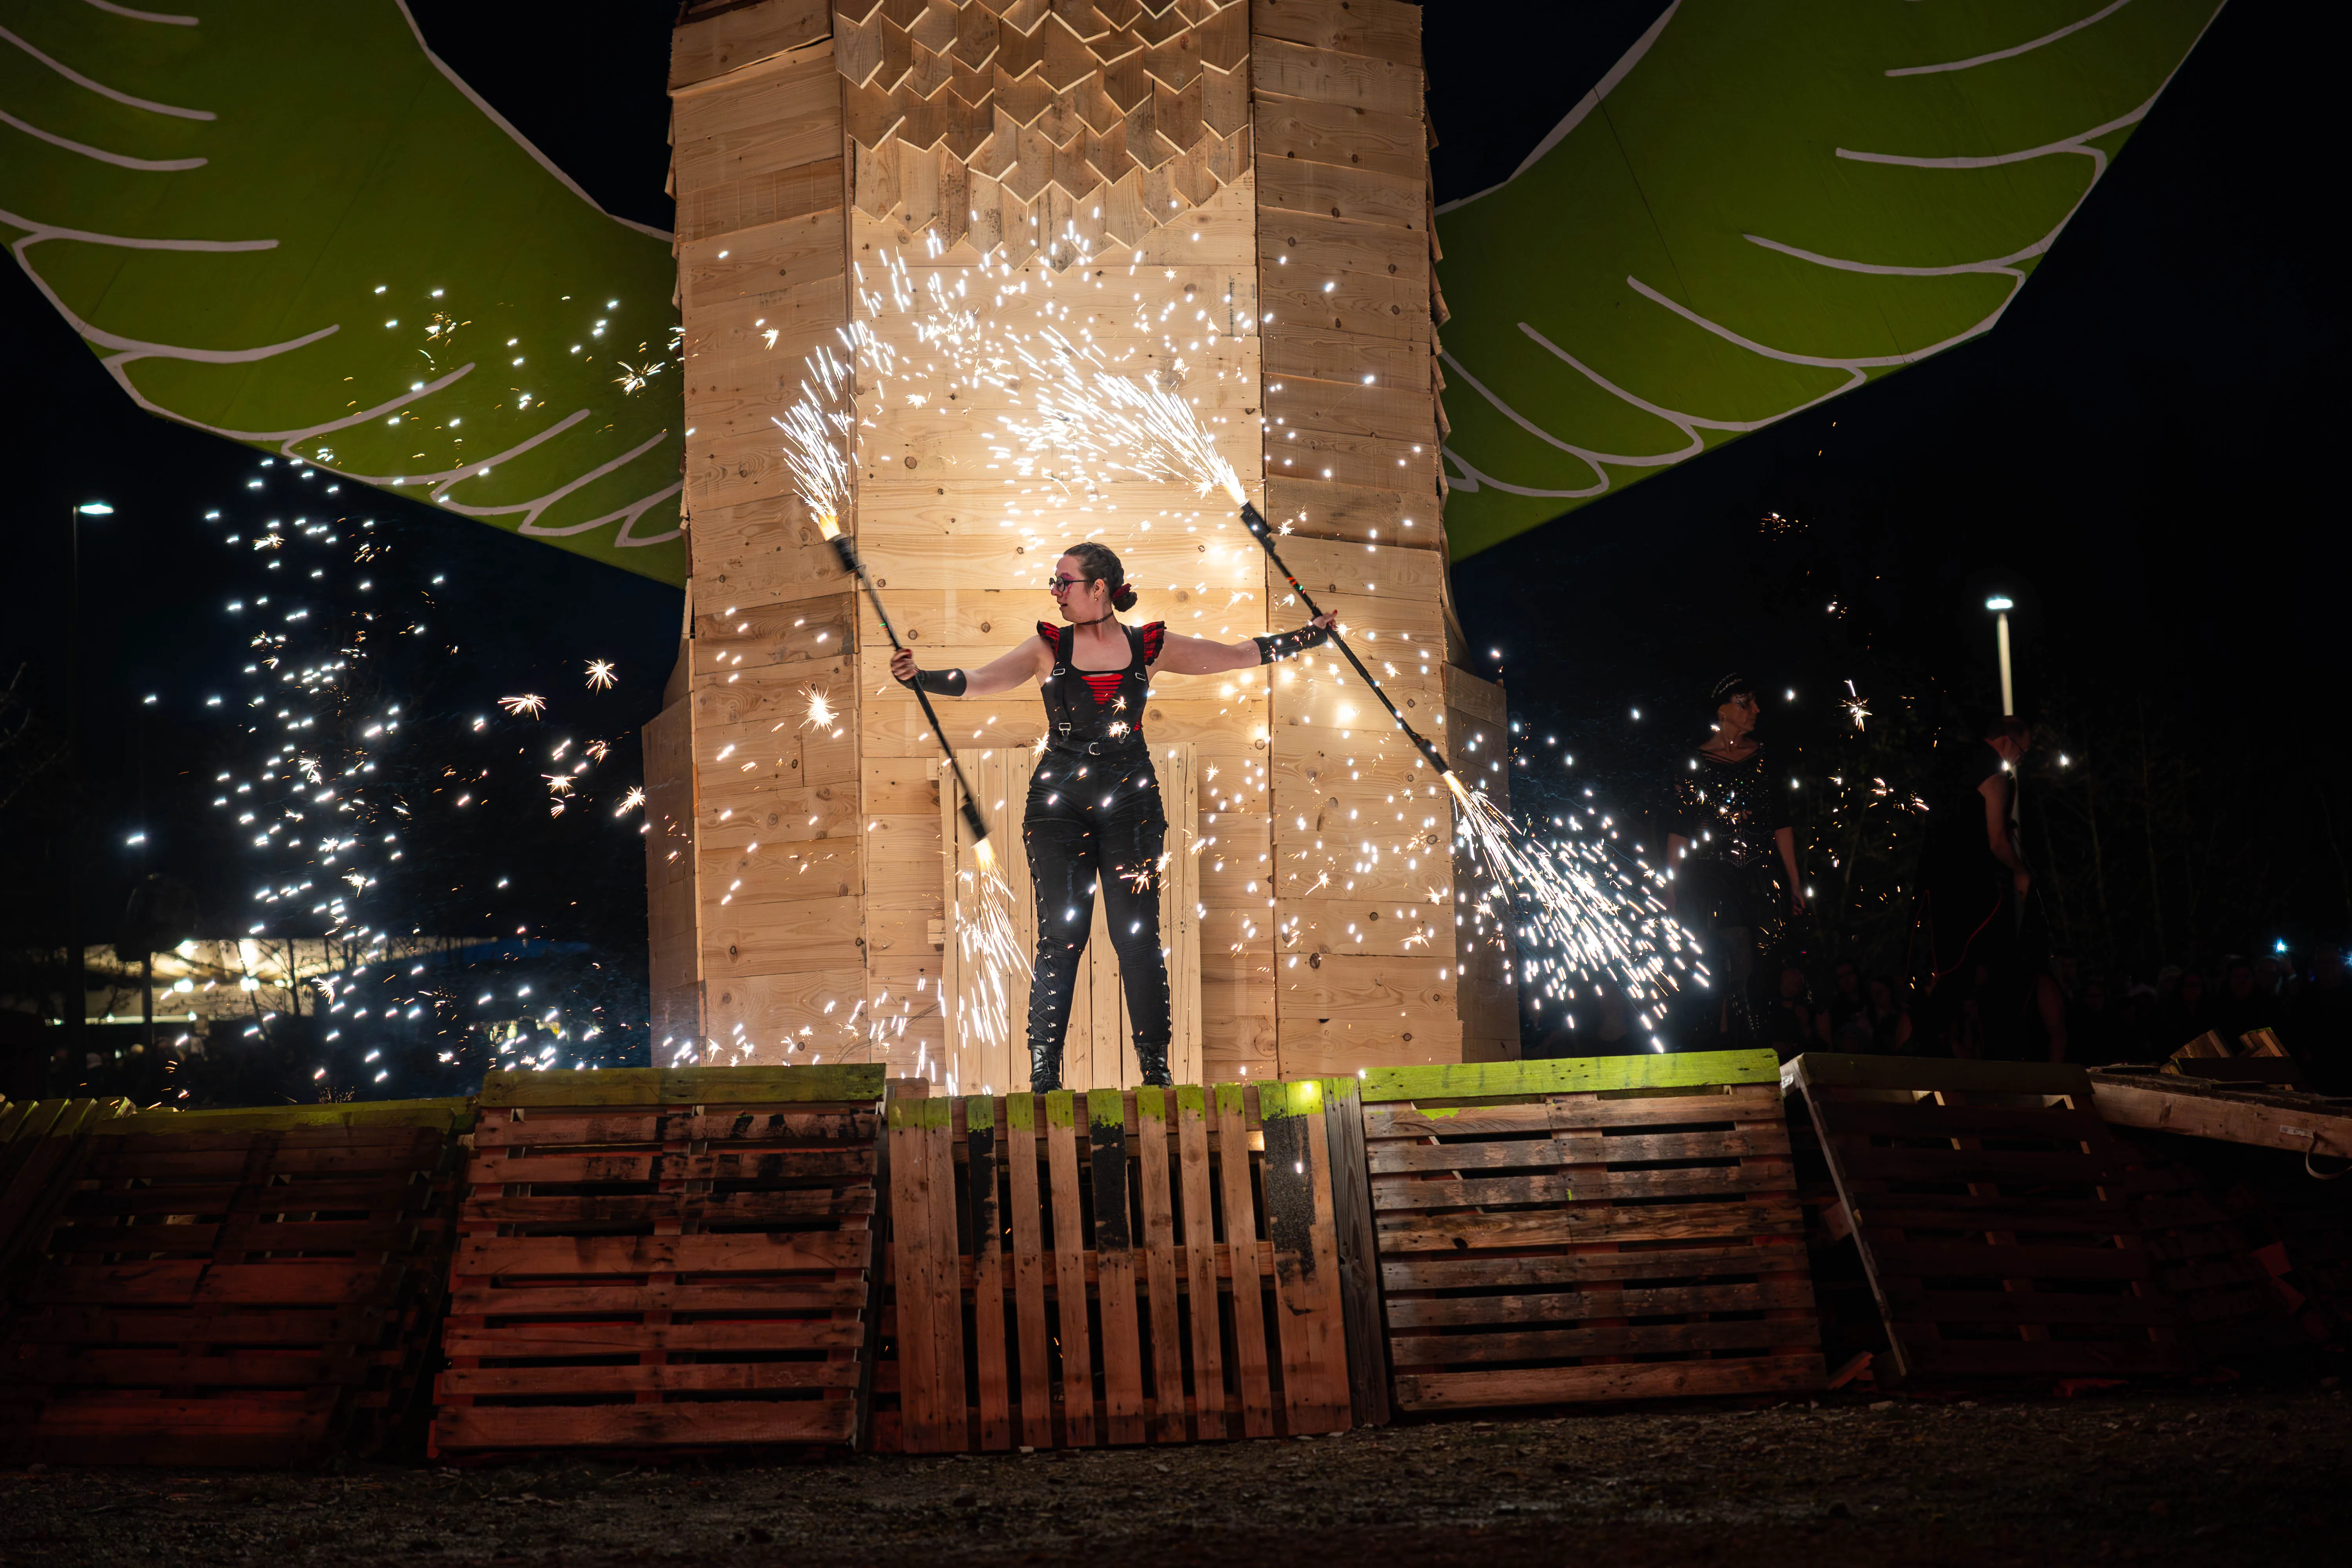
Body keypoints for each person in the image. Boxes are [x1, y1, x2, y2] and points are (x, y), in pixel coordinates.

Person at [891, 541, 1333, 1090]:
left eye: (1064, 582)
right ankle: (1044, 1073)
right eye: (1054, 582)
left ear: (1099, 589)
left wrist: (1307, 637)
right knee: (1062, 936)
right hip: (1059, 803)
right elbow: (981, 680)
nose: (1055, 592)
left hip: (1132, 800)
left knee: (1137, 935)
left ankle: (1156, 1069)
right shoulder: (1046, 647)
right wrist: (922, 677)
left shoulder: (1149, 645)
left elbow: (1235, 654)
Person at [1662, 674, 1807, 1051]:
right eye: (1747, 702)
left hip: (1759, 873)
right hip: (1712, 873)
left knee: (1761, 966)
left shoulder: (1765, 758)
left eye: (1757, 702)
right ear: (1722, 710)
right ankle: (1724, 1042)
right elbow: (1679, 828)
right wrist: (1671, 885)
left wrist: (1794, 881)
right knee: (1732, 947)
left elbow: (1781, 822)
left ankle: (1748, 1044)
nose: (1756, 710)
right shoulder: (1692, 762)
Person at [1914, 714, 2058, 1059]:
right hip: (1977, 891)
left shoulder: (1954, 764)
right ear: (2009, 741)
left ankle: (1923, 1046)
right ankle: (1996, 1053)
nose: (2024, 756)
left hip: (1939, 885)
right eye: (2024, 748)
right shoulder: (1995, 772)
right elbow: (1996, 841)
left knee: (1956, 971)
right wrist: (2020, 872)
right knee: (1998, 973)